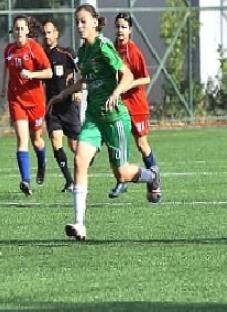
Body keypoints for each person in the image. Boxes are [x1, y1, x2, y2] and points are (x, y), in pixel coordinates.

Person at [47, 4, 162, 241]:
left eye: (83, 21)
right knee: (79, 159)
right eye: (77, 21)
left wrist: (116, 92)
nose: (79, 26)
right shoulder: (85, 51)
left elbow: (128, 75)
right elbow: (86, 80)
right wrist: (63, 94)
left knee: (122, 174)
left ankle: (152, 175)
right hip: (94, 119)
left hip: (115, 119)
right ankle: (79, 224)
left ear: (94, 22)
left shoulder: (104, 46)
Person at [109, 13, 159, 199]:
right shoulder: (112, 49)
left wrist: (128, 84)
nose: (120, 30)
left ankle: (154, 181)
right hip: (119, 104)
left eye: (123, 27)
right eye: (117, 26)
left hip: (136, 105)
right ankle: (122, 180)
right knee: (119, 141)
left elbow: (146, 77)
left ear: (130, 30)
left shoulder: (133, 51)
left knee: (141, 144)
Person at [1, 15, 53, 196]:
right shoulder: (9, 49)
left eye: (22, 28)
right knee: (22, 141)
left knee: (36, 140)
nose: (19, 32)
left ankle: (42, 163)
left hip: (35, 101)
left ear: (28, 30)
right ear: (13, 31)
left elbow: (48, 72)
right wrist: (2, 88)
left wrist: (31, 75)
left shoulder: (35, 48)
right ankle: (26, 181)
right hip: (16, 100)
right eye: (16, 28)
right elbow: (6, 70)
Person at [41, 18, 82, 193]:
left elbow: (82, 70)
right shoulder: (40, 55)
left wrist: (79, 90)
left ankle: (89, 155)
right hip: (52, 107)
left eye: (49, 32)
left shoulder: (66, 53)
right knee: (56, 141)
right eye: (44, 33)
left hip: (68, 105)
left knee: (74, 146)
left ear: (56, 34)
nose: (46, 36)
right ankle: (69, 181)